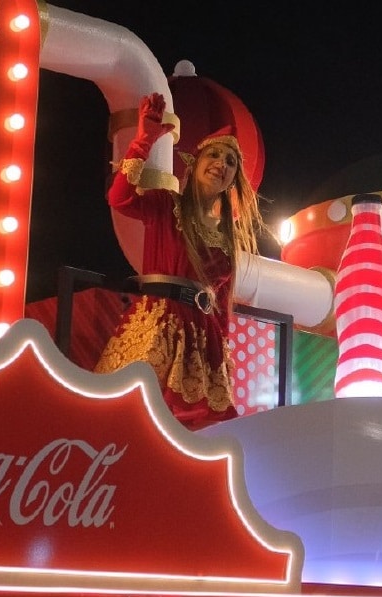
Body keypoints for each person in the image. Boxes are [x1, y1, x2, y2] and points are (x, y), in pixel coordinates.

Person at [94, 92, 268, 430]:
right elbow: (119, 198)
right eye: (214, 155)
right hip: (156, 322)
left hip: (201, 339)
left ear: (234, 178)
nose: (221, 163)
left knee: (202, 428)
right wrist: (143, 141)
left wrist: (222, 359)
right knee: (131, 413)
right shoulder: (166, 205)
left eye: (230, 162)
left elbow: (221, 311)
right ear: (196, 162)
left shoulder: (226, 241)